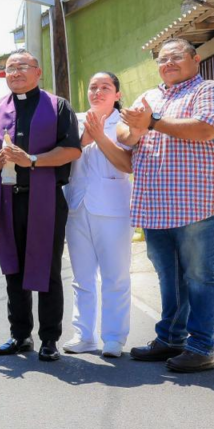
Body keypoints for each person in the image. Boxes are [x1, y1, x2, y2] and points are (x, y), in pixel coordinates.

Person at [119, 38, 214, 373]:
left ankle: (202, 347)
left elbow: (206, 128)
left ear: (195, 59)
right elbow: (124, 133)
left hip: (200, 202)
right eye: (162, 59)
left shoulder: (210, 90)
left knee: (201, 276)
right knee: (169, 277)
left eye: (175, 57)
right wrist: (135, 129)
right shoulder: (149, 96)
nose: (168, 63)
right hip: (157, 203)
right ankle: (171, 338)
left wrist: (151, 123)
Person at [0, 49, 81, 362]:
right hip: (7, 196)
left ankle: (49, 338)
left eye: (22, 67)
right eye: (10, 68)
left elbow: (72, 149)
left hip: (44, 196)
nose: (15, 73)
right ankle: (20, 335)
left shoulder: (58, 106)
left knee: (47, 268)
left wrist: (32, 160)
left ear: (38, 71)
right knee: (13, 268)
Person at [63, 72, 133, 358]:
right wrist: (84, 137)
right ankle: (84, 334)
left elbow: (127, 163)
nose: (98, 91)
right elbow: (64, 157)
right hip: (76, 206)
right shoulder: (74, 120)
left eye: (105, 87)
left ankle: (114, 338)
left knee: (115, 276)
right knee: (81, 277)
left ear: (117, 94)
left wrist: (99, 136)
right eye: (93, 87)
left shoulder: (126, 123)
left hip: (113, 209)